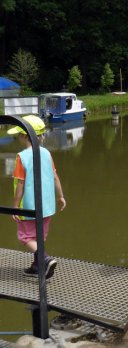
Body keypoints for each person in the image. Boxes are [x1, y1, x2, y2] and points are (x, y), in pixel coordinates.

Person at [9, 115, 66, 279]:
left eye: (19, 135)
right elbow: (55, 177)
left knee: (25, 237)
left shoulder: (22, 156)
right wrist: (61, 196)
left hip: (28, 206)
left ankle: (45, 259)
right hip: (46, 205)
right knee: (39, 236)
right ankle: (36, 266)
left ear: (25, 136)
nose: (18, 137)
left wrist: (15, 206)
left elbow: (20, 184)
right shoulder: (46, 153)